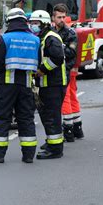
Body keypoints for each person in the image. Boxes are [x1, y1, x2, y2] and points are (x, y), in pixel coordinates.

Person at [0, 8, 40, 164]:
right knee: (26, 118)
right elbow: (38, 62)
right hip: (26, 84)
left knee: (2, 117)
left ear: (9, 21)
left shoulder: (5, 38)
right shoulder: (35, 39)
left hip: (7, 84)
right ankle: (28, 155)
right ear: (25, 21)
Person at [30, 10, 67, 160]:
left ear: (44, 23)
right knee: (47, 116)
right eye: (31, 23)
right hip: (47, 84)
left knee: (52, 117)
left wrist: (41, 70)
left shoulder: (51, 38)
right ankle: (51, 143)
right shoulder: (44, 37)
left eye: (36, 23)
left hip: (53, 85)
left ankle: (55, 149)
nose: (33, 26)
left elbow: (58, 58)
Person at [52, 3, 82, 142]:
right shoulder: (52, 32)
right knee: (70, 97)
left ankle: (69, 131)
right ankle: (77, 128)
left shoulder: (70, 33)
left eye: (64, 17)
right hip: (58, 70)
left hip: (66, 70)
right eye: (59, 17)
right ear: (53, 18)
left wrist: (59, 47)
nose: (62, 20)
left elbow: (71, 52)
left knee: (66, 99)